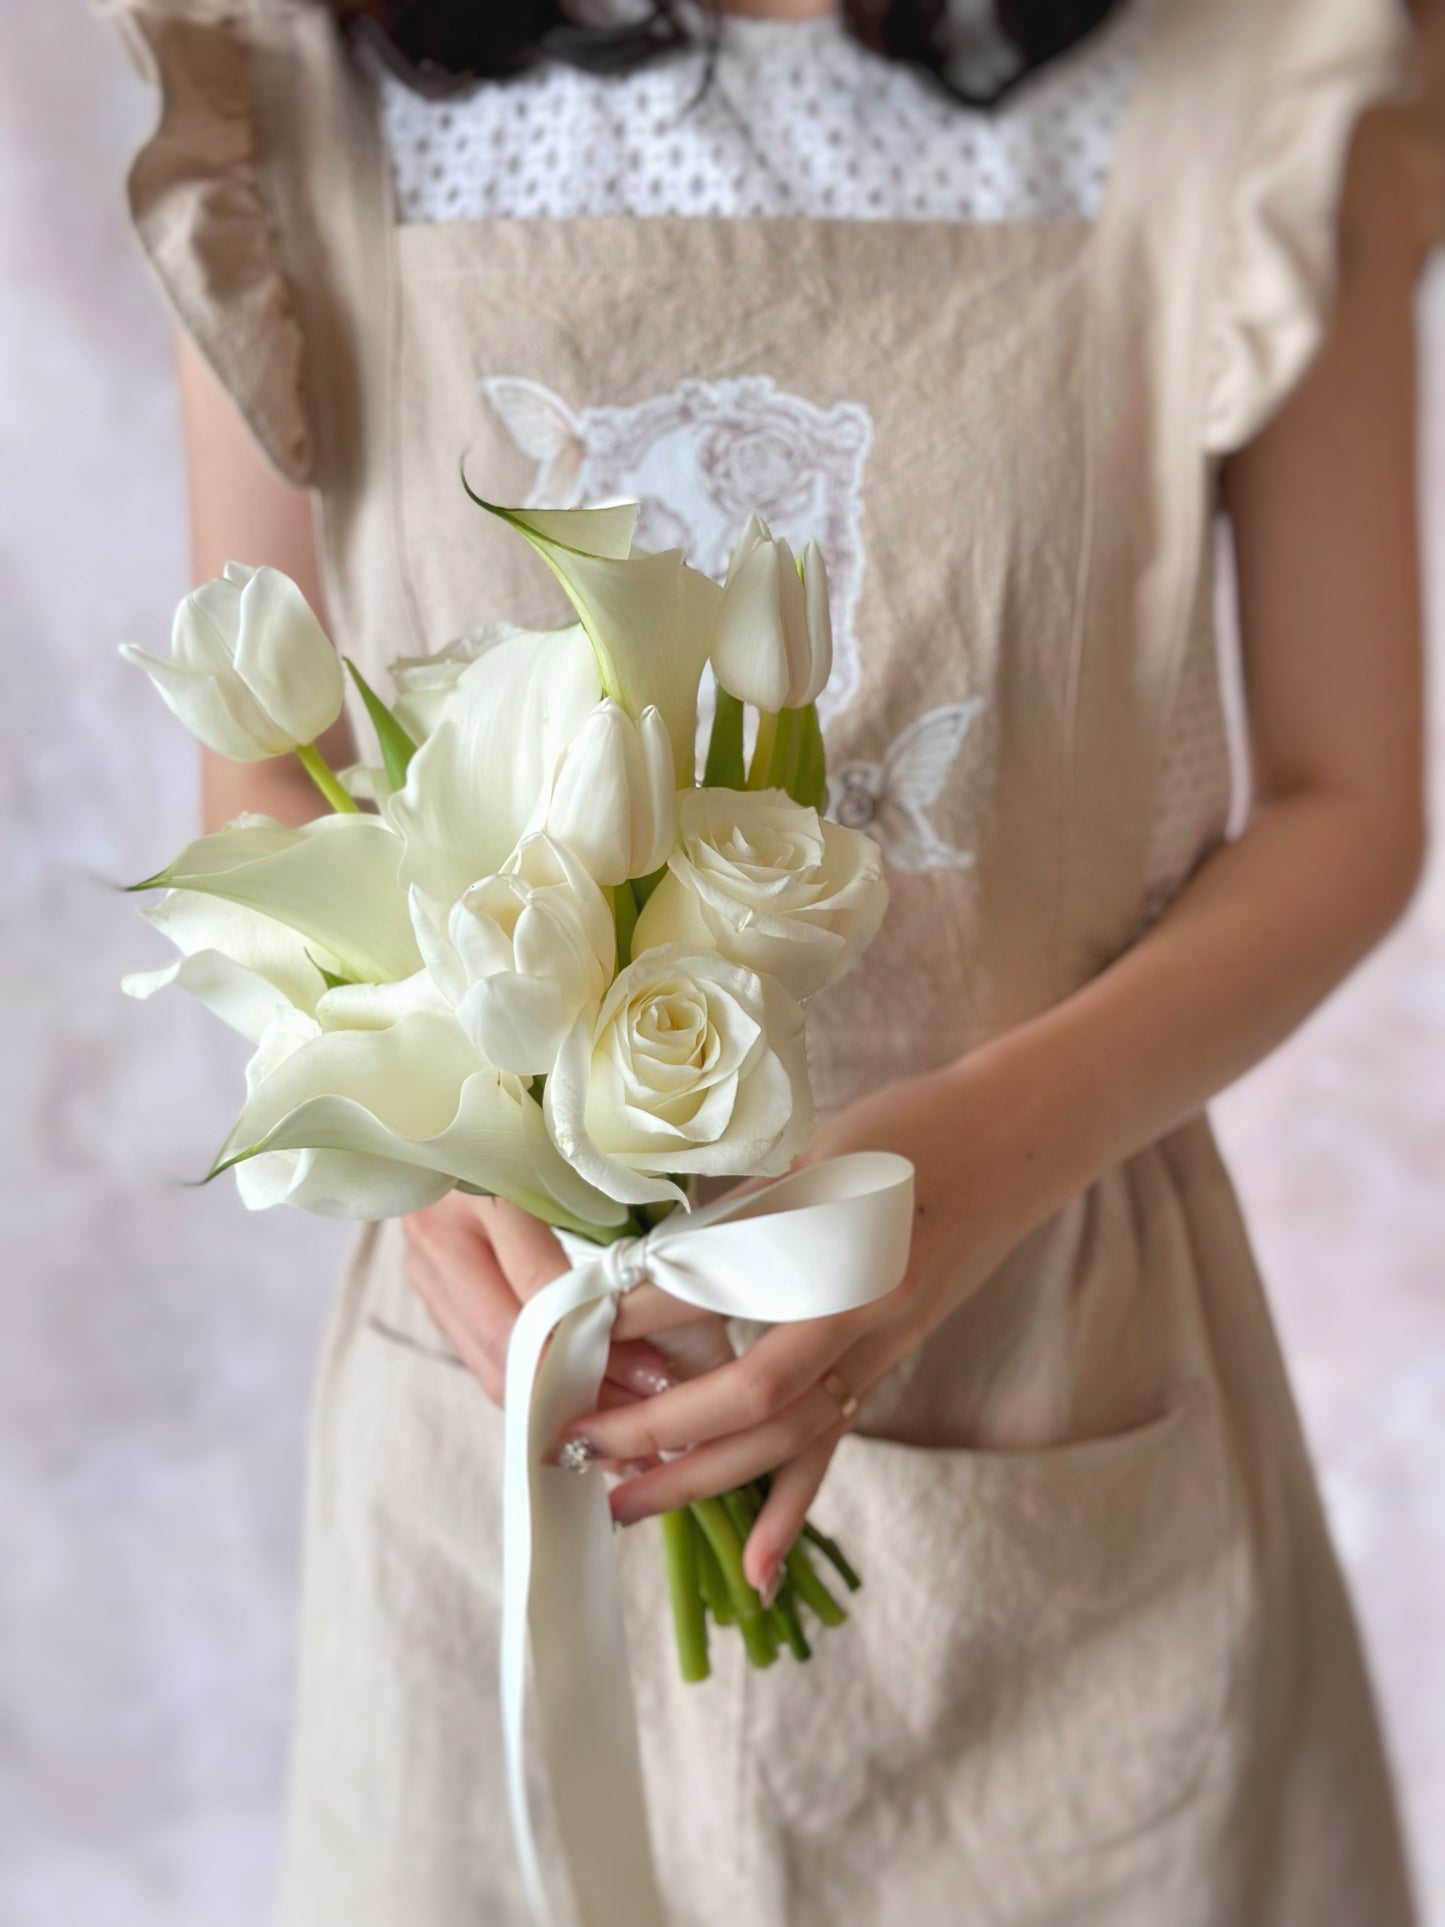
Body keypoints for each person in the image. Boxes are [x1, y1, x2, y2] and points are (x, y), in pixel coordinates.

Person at [105, 0, 1445, 1920]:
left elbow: (1346, 804)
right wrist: (441, 1165)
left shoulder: (1259, 60)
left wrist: (966, 1171)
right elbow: (270, 747)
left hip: (1053, 1378)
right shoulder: (291, 62)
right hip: (495, 1430)